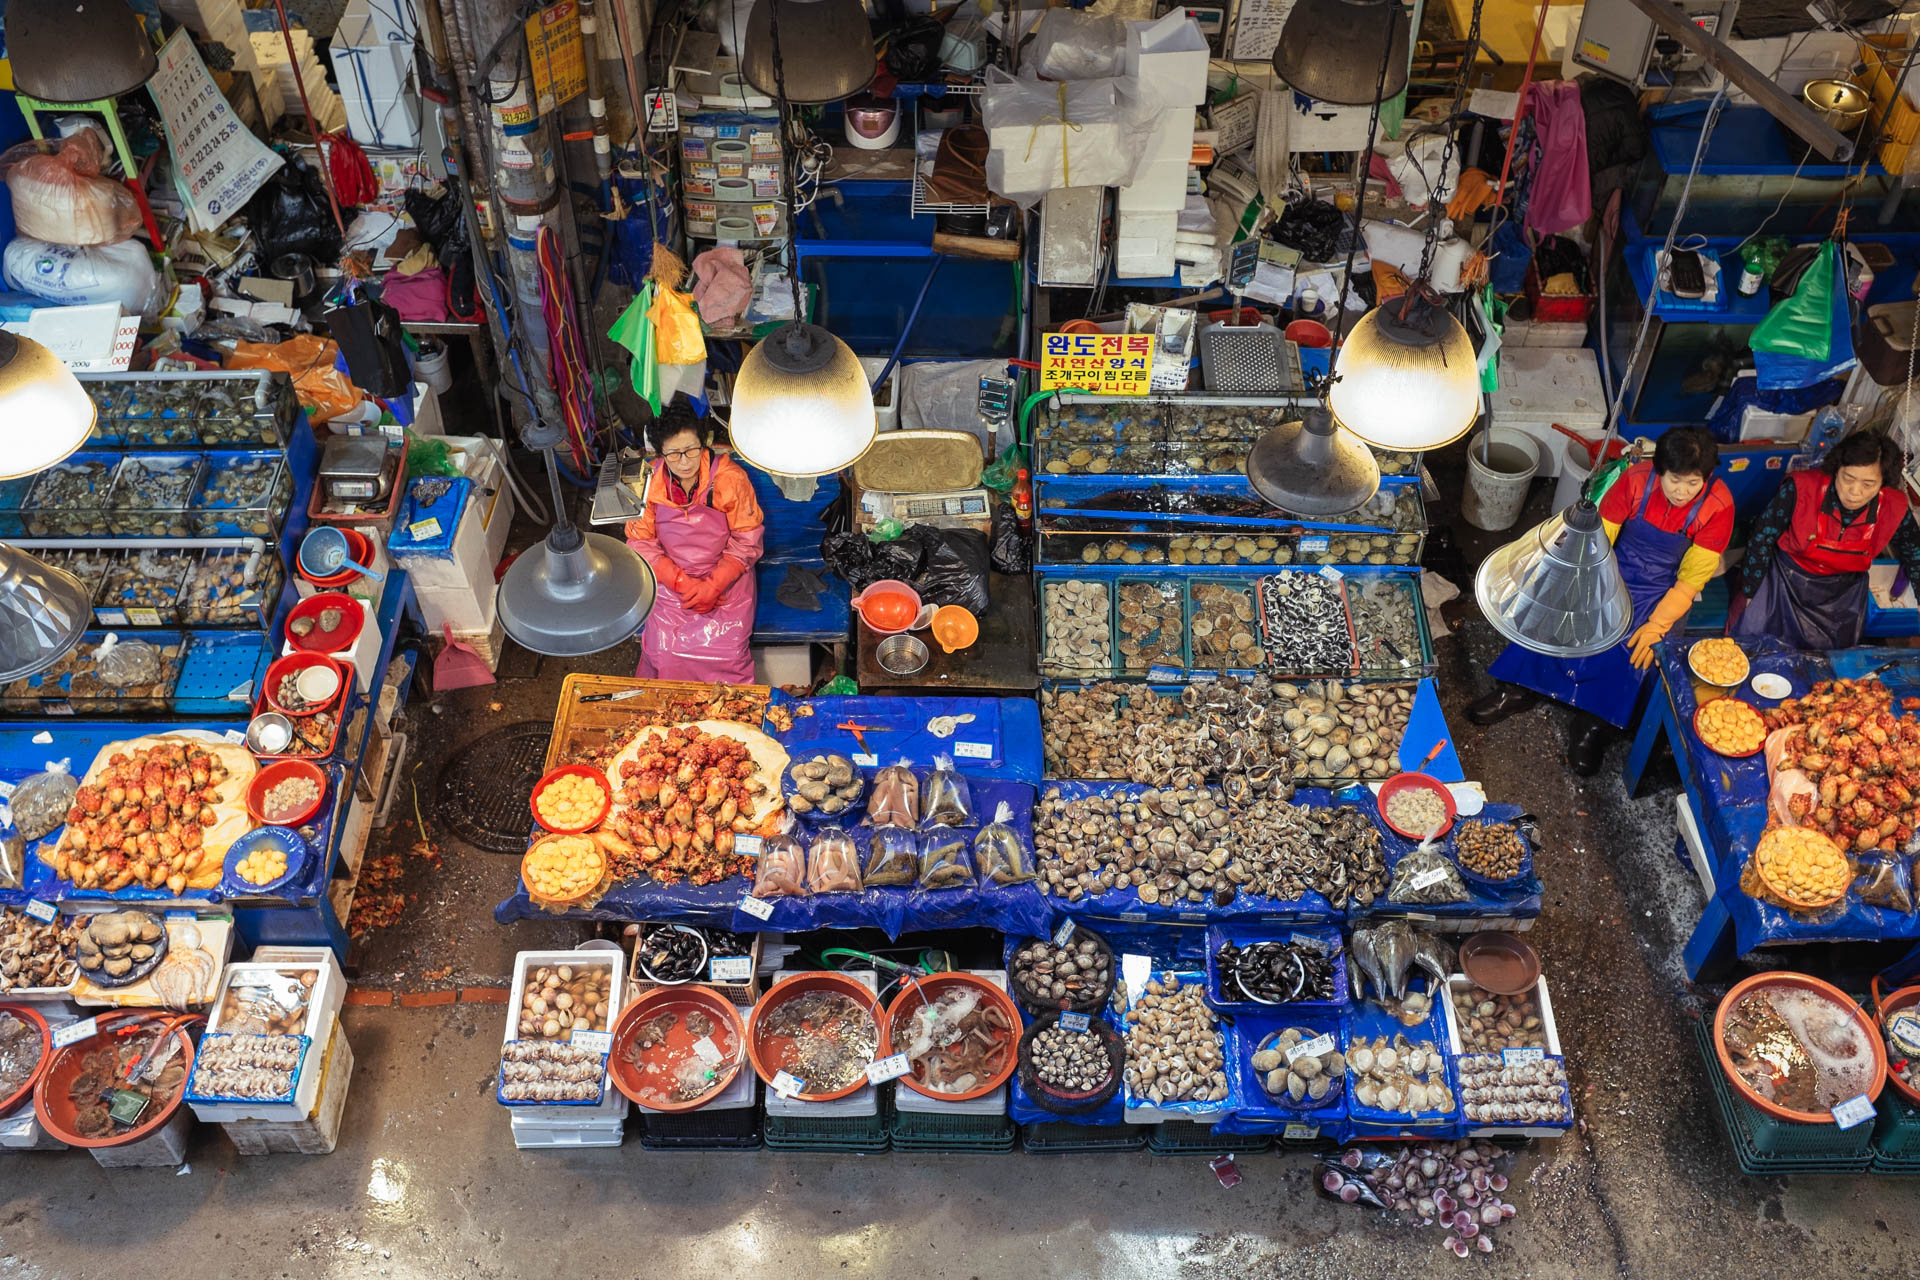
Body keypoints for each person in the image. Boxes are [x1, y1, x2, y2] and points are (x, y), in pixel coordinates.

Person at [1469, 426, 1736, 775]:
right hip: (1607, 564)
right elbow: (1601, 533)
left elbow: (1691, 579)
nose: (1682, 492)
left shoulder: (1718, 505)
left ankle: (1593, 723)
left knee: (1636, 650)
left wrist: (1659, 623)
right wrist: (1581, 581)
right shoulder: (1636, 479)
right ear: (1660, 471)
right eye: (1675, 480)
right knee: (1555, 609)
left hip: (1661, 589)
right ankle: (1519, 687)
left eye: (1693, 483)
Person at [1729, 432, 1920, 650]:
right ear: (1836, 469)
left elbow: (1914, 552)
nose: (1855, 492)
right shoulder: (1801, 489)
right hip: (1783, 582)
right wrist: (1750, 592)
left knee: (1825, 662)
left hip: (1840, 597)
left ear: (1883, 483)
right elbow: (1761, 539)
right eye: (1848, 478)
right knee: (1749, 645)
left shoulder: (1894, 507)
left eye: (1868, 484)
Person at [624, 400, 765, 683]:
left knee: (729, 654)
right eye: (674, 454)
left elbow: (746, 540)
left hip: (727, 581)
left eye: (691, 450)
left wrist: (713, 586)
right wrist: (683, 584)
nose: (685, 462)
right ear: (660, 452)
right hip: (670, 582)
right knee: (665, 652)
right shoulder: (646, 482)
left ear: (704, 443)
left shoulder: (730, 478)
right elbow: (640, 543)